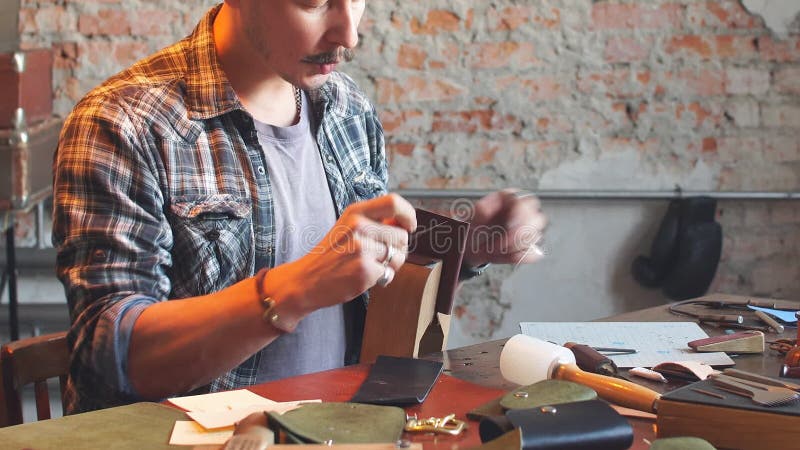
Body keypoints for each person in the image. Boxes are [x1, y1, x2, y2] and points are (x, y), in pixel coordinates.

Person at [52, 0, 547, 414]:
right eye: (314, 1)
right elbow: (112, 358)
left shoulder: (346, 108)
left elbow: (368, 285)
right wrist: (297, 287)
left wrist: (462, 247)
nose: (348, 32)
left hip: (340, 427)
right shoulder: (122, 124)